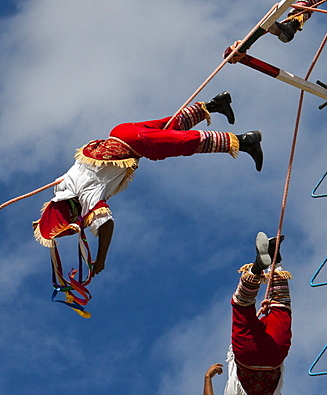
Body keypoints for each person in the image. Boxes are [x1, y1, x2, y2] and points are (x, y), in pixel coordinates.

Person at [34, 93, 263, 277]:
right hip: (120, 132)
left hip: (134, 143)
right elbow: (57, 200)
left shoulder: (85, 198)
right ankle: (214, 104)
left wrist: (101, 259)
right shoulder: (63, 187)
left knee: (183, 143)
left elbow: (106, 224)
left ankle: (245, 141)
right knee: (170, 129)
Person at [203, 233, 327, 395]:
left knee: (281, 306)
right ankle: (262, 264)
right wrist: (207, 378)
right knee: (242, 305)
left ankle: (274, 262)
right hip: (248, 356)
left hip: (274, 356)